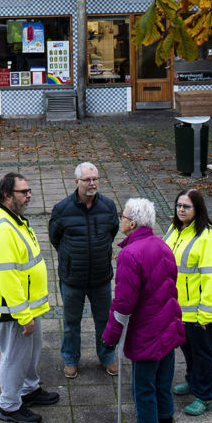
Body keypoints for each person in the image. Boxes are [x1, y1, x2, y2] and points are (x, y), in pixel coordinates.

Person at [101, 198, 184, 423]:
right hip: (167, 330)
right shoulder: (162, 245)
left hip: (146, 334)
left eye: (122, 216)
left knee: (143, 390)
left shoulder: (130, 254)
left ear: (132, 223)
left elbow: (123, 304)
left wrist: (110, 337)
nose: (120, 219)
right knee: (163, 386)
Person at [0, 172, 59, 423]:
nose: (29, 196)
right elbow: (8, 279)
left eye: (29, 191)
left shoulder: (16, 220)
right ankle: (9, 405)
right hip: (14, 311)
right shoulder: (3, 230)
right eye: (23, 192)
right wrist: (24, 316)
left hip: (27, 307)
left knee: (30, 351)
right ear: (7, 195)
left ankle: (29, 389)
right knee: (15, 357)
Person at [49, 162, 120, 379]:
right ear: (77, 182)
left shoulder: (108, 206)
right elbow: (55, 238)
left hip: (100, 277)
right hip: (73, 278)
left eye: (95, 179)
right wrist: (71, 257)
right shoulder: (62, 209)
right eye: (87, 180)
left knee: (104, 321)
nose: (92, 183)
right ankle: (71, 359)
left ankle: (107, 357)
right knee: (71, 323)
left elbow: (113, 232)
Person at [163, 189, 212, 416]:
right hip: (178, 310)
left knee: (202, 354)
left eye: (186, 206)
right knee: (188, 352)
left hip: (199, 313)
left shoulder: (209, 239)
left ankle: (204, 396)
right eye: (178, 205)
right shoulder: (174, 230)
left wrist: (206, 316)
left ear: (197, 209)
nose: (181, 209)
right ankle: (192, 381)